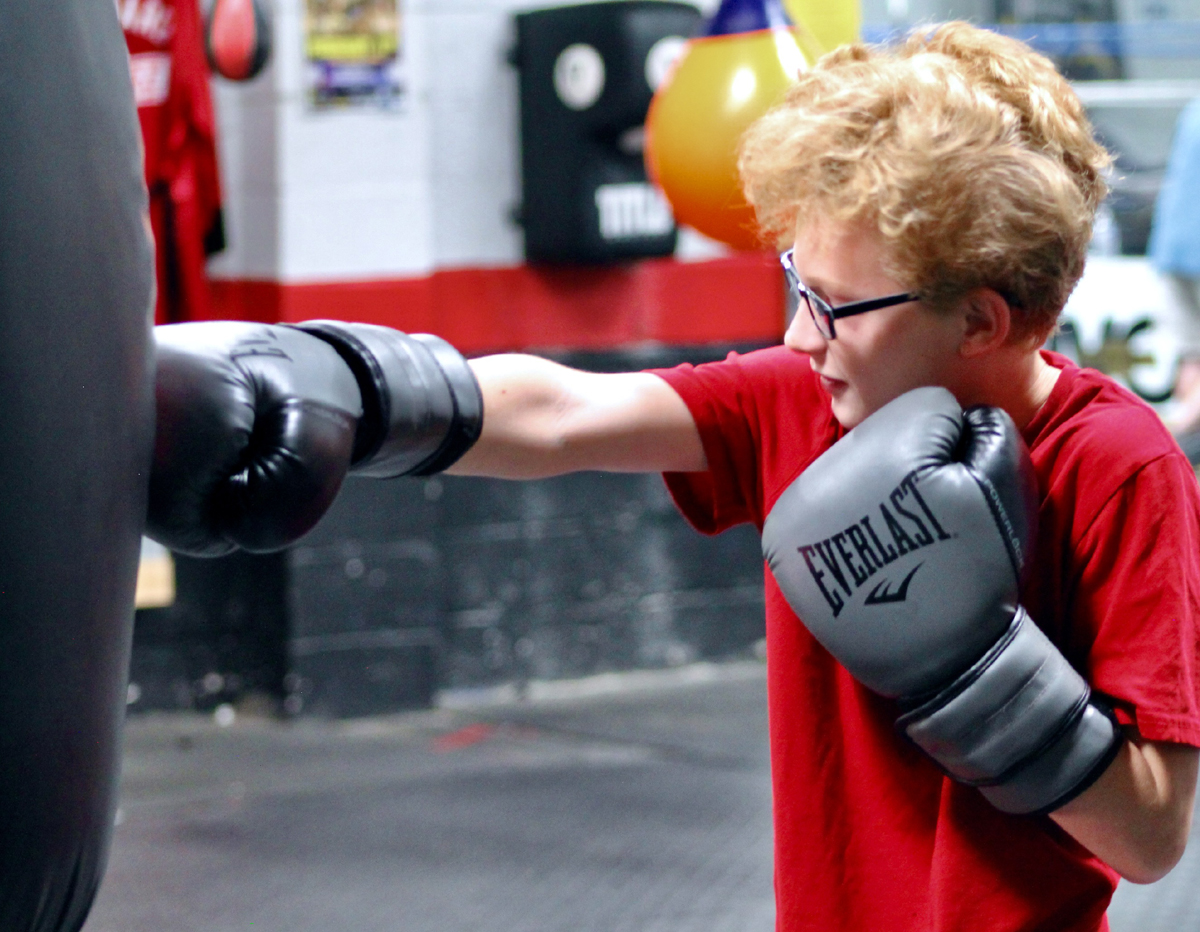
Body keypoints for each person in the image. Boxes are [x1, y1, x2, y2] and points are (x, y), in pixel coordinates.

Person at [149, 22, 1200, 932]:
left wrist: (978, 673)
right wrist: (352, 387)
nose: (800, 332)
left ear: (982, 317)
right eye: (798, 284)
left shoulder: (1117, 466)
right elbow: (564, 413)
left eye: (835, 306)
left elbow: (1152, 834)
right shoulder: (808, 396)